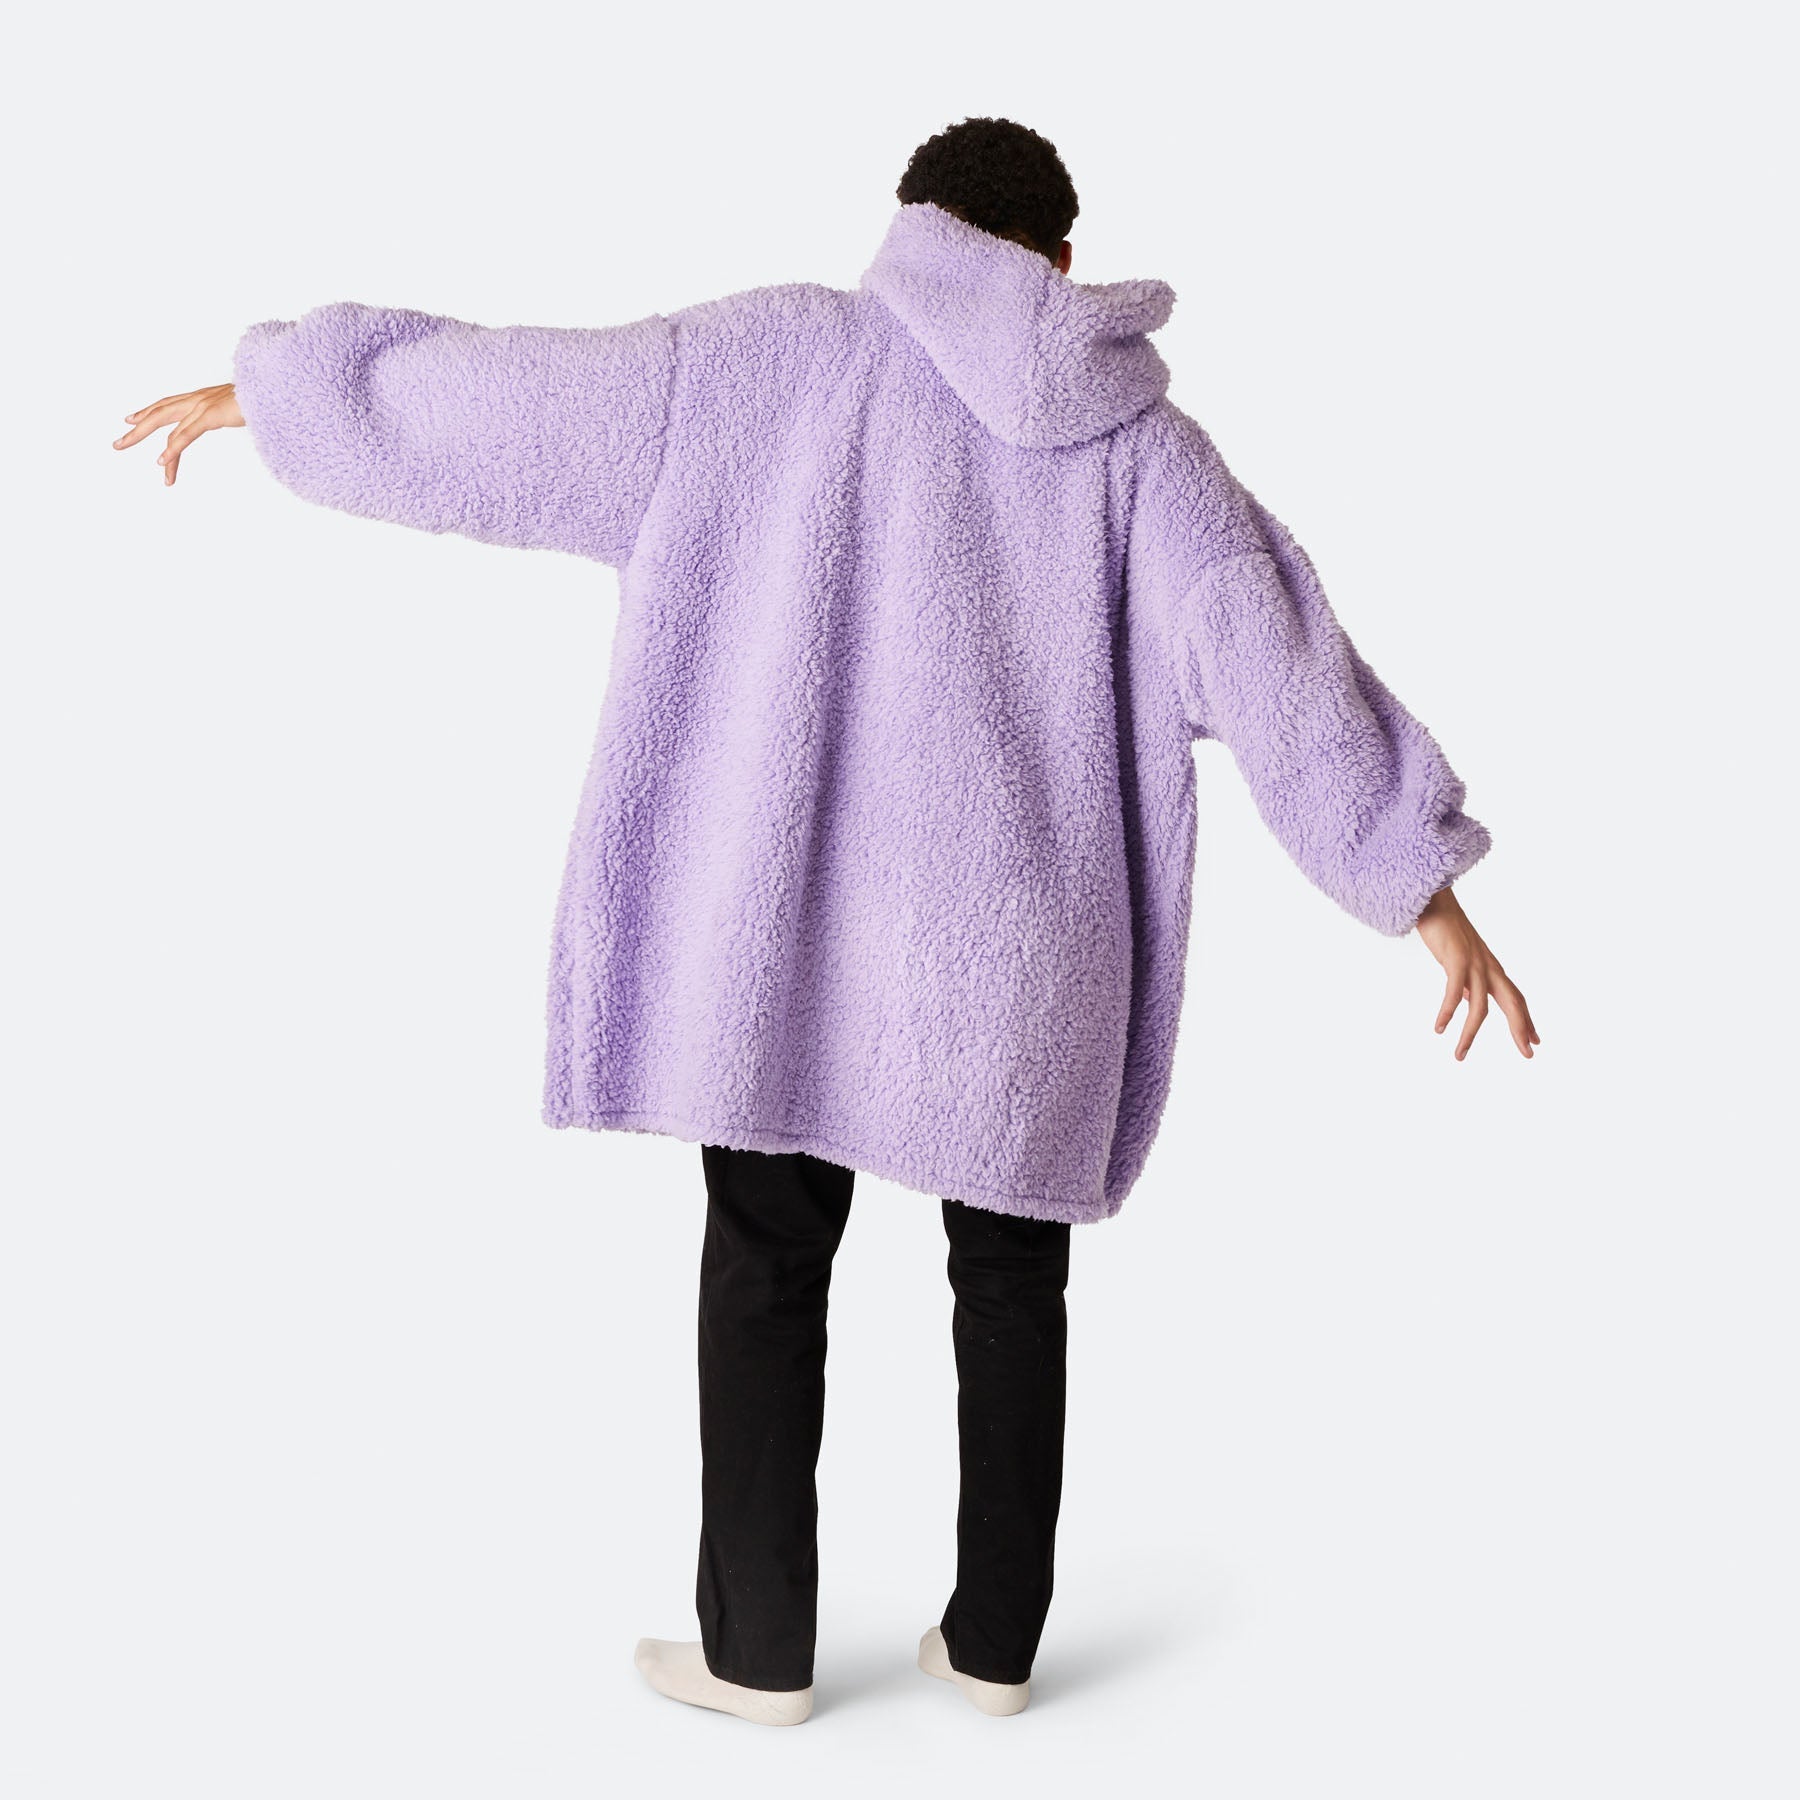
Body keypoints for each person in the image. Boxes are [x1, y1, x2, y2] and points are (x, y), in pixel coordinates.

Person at [113, 117, 1537, 1725]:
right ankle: (995, 1648)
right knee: (1013, 1280)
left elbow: (504, 408)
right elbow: (1275, 661)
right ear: (1063, 263)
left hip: (783, 943)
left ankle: (759, 1656)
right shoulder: (1144, 452)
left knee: (767, 1261)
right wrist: (1420, 887)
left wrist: (285, 398)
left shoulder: (765, 360)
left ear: (911, 223)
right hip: (1022, 965)